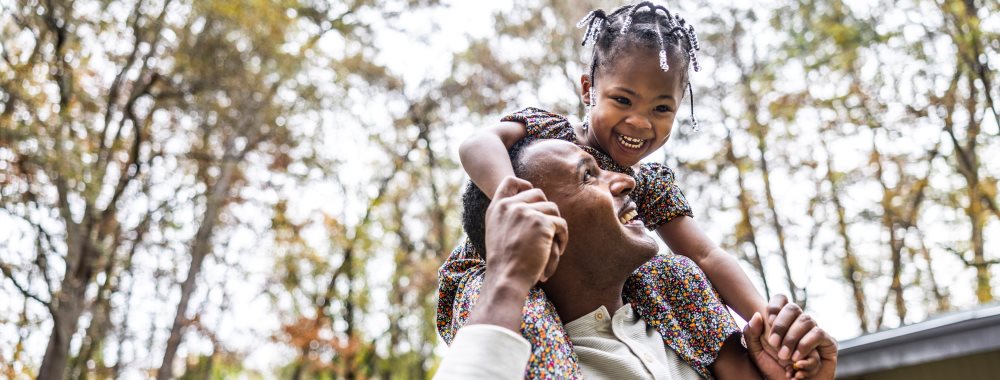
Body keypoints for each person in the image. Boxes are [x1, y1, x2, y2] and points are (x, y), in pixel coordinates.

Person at [438, 1, 803, 377]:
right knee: (527, 312)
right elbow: (477, 145)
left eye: (662, 108)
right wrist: (515, 204)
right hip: (509, 262)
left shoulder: (648, 184)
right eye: (623, 100)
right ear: (588, 90)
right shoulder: (550, 136)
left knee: (680, 275)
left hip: (612, 289)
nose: (640, 122)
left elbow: (706, 255)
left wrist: (766, 320)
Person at [435, 139, 838, 379]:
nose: (627, 180)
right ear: (533, 225)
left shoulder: (684, 327)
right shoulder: (528, 358)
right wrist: (506, 279)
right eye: (588, 175)